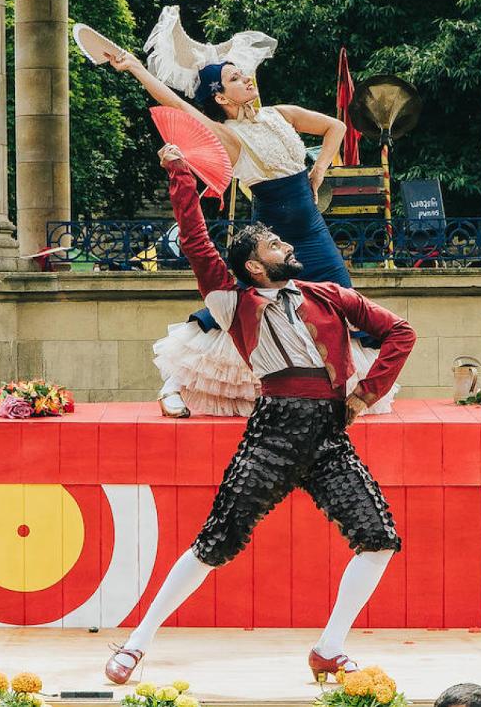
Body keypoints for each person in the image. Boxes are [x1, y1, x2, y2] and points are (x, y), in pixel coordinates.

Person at [103, 143, 416, 686]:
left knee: (380, 537)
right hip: (271, 434)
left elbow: (400, 332)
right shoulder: (232, 301)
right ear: (253, 264)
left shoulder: (329, 294)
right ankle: (136, 643)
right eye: (275, 242)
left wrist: (365, 395)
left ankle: (328, 649)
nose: (287, 244)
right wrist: (180, 173)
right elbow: (198, 242)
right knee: (215, 542)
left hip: (329, 434)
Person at [101, 7, 399, 419]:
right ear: (220, 98)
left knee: (346, 307)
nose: (246, 78)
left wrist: (316, 173)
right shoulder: (229, 136)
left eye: (243, 73)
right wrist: (134, 66)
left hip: (313, 234)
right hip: (270, 237)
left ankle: (343, 392)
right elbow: (174, 103)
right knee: (238, 310)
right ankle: (175, 385)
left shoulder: (280, 114)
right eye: (234, 78)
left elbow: (337, 127)